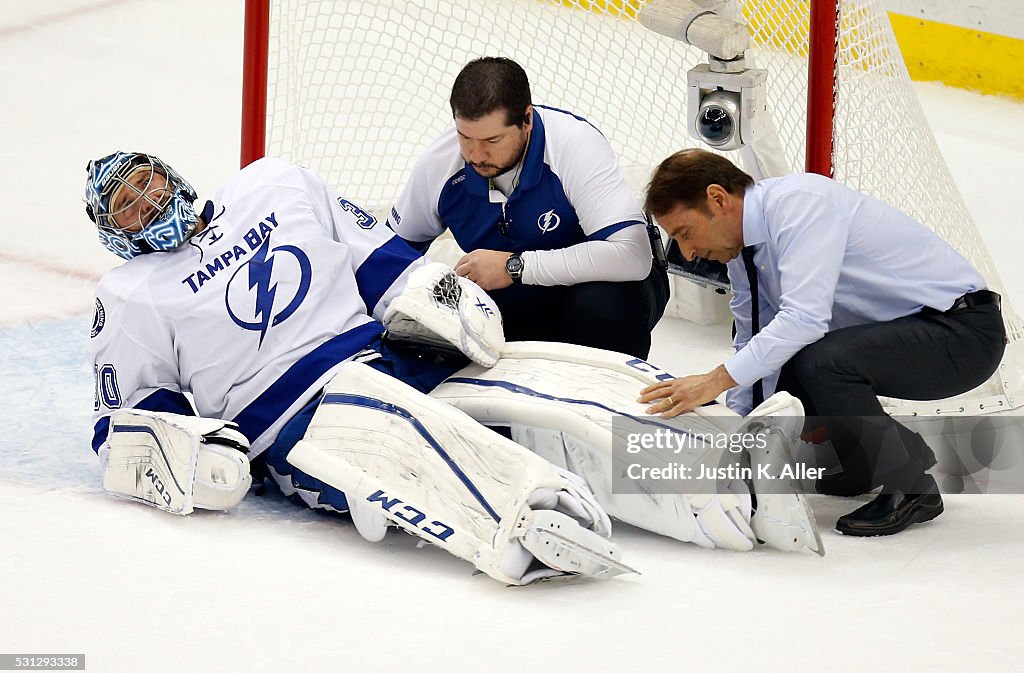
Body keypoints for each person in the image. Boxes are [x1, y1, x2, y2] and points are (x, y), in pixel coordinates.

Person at [82, 150, 625, 585]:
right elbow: (128, 423)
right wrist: (191, 452)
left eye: (145, 182)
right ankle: (528, 522)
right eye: (126, 206)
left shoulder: (271, 183)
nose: (146, 203)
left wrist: (438, 299)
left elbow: (376, 257)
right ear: (113, 232)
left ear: (169, 173)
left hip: (388, 354)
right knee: (407, 448)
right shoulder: (130, 296)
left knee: (547, 395)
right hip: (294, 422)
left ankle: (687, 461)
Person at [638, 148, 1006, 537]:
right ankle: (869, 460)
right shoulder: (743, 251)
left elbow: (804, 319)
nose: (688, 253)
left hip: (963, 335)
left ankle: (912, 486)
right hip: (910, 335)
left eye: (685, 233)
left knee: (821, 360)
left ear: (718, 198)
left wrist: (713, 380)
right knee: (776, 359)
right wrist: (734, 437)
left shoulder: (800, 205)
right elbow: (752, 339)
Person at [388, 56, 669, 360]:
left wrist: (515, 267)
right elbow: (387, 256)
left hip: (602, 293)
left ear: (527, 120)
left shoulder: (574, 145)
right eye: (464, 137)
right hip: (516, 301)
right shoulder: (439, 165)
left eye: (492, 140)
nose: (475, 154)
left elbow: (632, 256)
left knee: (602, 309)